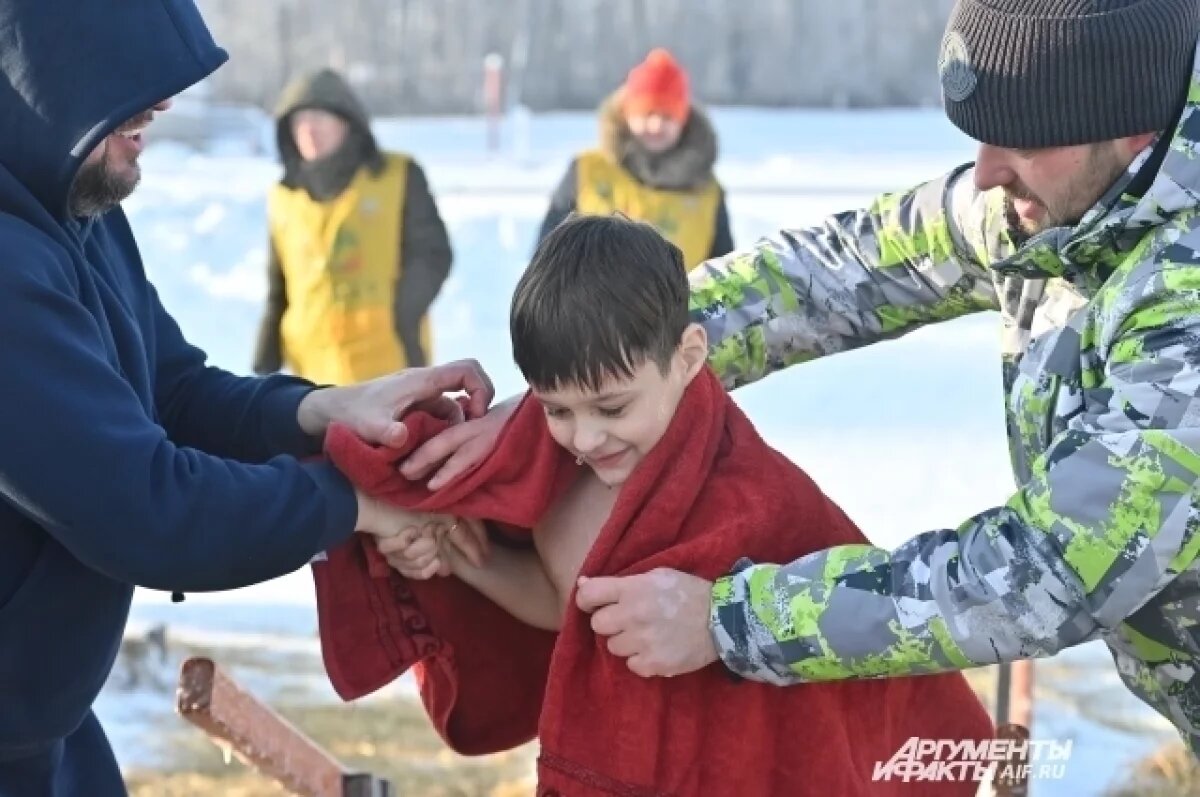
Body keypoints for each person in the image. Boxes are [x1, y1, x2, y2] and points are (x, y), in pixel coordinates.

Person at [400, 0, 1200, 761]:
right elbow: (835, 270)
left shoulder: (1185, 299)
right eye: (980, 137)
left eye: (1021, 141)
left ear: (1129, 128)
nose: (985, 174)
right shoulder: (1057, 192)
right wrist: (597, 375)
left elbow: (1047, 571)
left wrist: (732, 622)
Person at [0, 1, 487, 793]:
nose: (162, 105)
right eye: (134, 77)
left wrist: (322, 413)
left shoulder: (73, 203)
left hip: (45, 731)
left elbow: (174, 393)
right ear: (44, 64)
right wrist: (355, 501)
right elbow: (146, 507)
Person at [364, 215, 991, 796]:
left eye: (612, 408)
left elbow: (856, 683)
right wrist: (472, 563)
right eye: (555, 410)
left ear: (688, 358)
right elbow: (572, 608)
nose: (584, 439)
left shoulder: (755, 501)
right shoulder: (562, 485)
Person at [252, 68, 452, 384]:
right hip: (311, 377)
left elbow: (433, 254)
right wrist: (266, 359)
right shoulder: (284, 196)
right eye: (299, 121)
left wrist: (404, 314)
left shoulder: (397, 177)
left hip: (389, 367)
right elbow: (279, 285)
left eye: (320, 118)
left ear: (347, 121)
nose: (309, 131)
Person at [536, 48, 734, 270]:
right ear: (627, 114)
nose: (656, 126)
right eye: (647, 114)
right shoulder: (586, 170)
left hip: (679, 305)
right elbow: (546, 257)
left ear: (683, 120)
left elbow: (724, 275)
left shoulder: (707, 191)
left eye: (667, 116)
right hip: (590, 304)